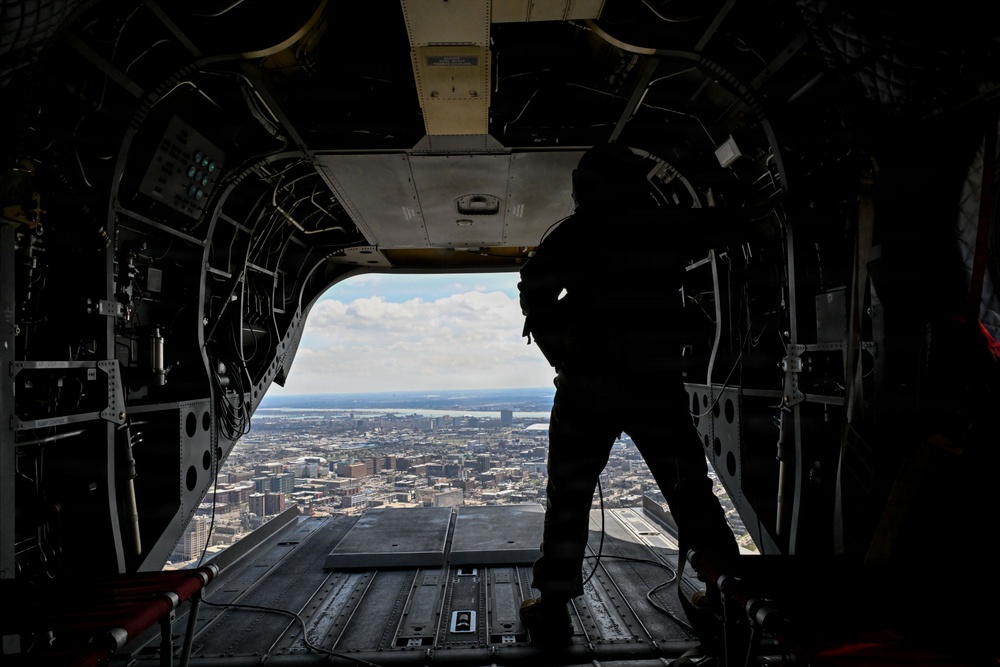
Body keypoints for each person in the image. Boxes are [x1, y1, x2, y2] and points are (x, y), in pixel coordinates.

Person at [517, 143, 742, 644]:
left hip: (587, 386)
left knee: (570, 496)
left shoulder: (576, 233)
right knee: (690, 492)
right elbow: (722, 228)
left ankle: (553, 604)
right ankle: (727, 593)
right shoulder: (663, 226)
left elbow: (534, 292)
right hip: (654, 382)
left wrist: (565, 357)